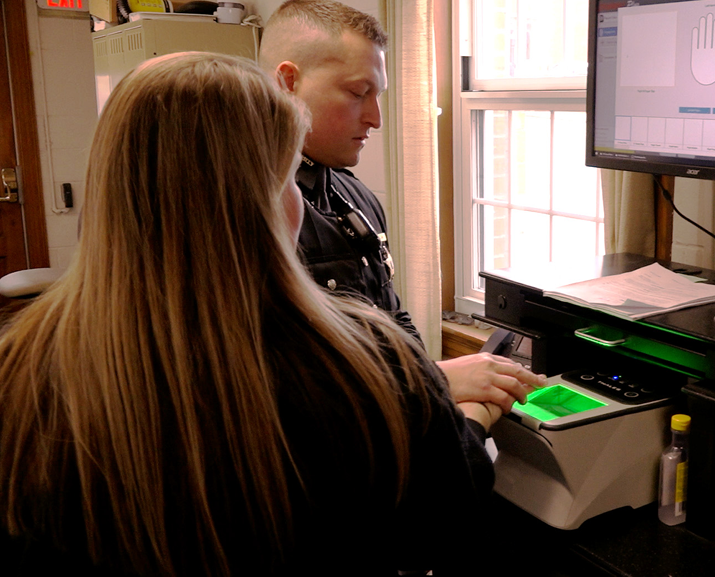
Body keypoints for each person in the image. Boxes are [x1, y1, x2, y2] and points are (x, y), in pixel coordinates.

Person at [0, 52, 499, 575]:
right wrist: (470, 418)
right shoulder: (369, 367)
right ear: (256, 203)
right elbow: (447, 531)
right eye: (287, 179)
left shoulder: (18, 370)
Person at [258, 0, 546, 414]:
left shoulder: (354, 197)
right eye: (358, 93)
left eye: (378, 95)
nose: (375, 118)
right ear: (288, 81)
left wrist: (438, 381)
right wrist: (439, 380)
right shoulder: (252, 214)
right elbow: (286, 381)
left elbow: (392, 321)